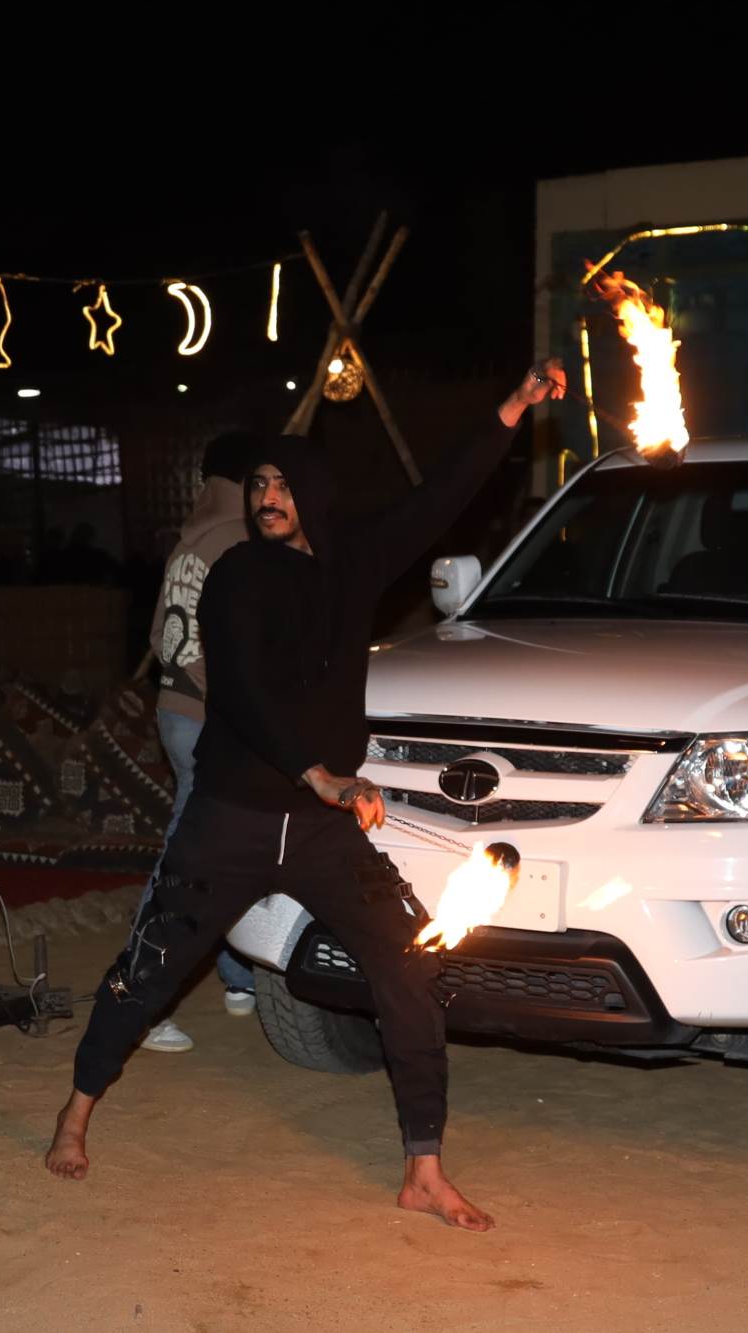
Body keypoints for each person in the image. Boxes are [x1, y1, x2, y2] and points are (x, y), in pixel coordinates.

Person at [45, 360, 569, 1231]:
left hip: (322, 832)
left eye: (283, 484)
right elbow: (242, 692)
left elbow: (440, 497)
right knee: (151, 966)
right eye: (258, 484)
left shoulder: (353, 562)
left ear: (313, 492)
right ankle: (76, 1109)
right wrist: (316, 771)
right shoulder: (236, 576)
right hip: (233, 817)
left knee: (409, 963)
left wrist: (510, 408)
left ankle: (424, 1168)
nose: (267, 496)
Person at [134, 431, 263, 1054]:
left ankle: (239, 974)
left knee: (232, 844)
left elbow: (158, 635)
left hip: (176, 709)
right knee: (185, 859)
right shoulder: (241, 541)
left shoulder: (188, 543)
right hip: (215, 720)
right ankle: (140, 998)